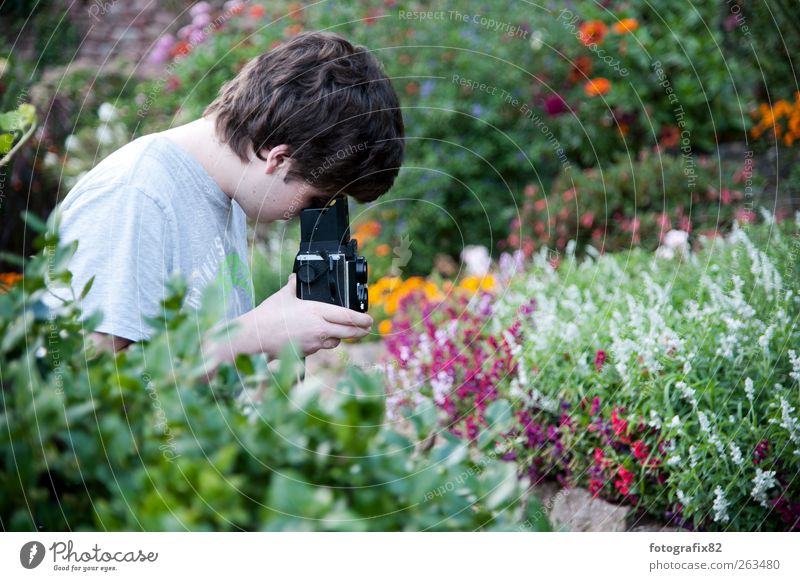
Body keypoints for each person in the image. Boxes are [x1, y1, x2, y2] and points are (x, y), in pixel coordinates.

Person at [43, 31, 405, 365]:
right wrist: (254, 336)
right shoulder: (135, 195)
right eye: (315, 198)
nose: (308, 215)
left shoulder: (221, 194)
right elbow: (86, 379)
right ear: (277, 158)